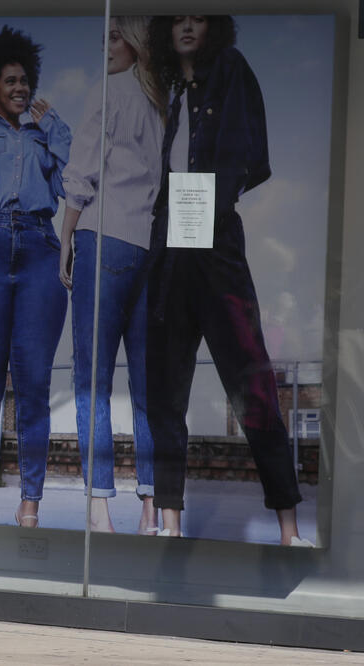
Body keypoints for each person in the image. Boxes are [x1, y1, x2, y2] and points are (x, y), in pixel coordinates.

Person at [145, 16, 311, 545]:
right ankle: (170, 524)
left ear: (212, 27)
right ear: (166, 33)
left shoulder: (230, 71)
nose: (188, 25)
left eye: (198, 17)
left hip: (215, 248)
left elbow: (251, 155)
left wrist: (214, 201)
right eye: (178, 19)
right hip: (170, 253)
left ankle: (288, 528)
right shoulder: (174, 95)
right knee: (166, 394)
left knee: (252, 386)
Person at [0, 25, 71, 526]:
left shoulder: (47, 136)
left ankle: (30, 503)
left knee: (33, 382)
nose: (21, 87)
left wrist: (59, 132)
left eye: (25, 79)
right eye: (10, 80)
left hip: (39, 249)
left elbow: (77, 185)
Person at [59, 16, 165, 534]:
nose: (107, 43)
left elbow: (83, 172)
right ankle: (151, 508)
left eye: (116, 35)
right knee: (147, 385)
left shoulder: (111, 91)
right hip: (149, 243)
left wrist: (65, 237)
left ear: (137, 43)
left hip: (103, 238)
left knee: (92, 380)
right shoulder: (162, 100)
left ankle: (99, 508)